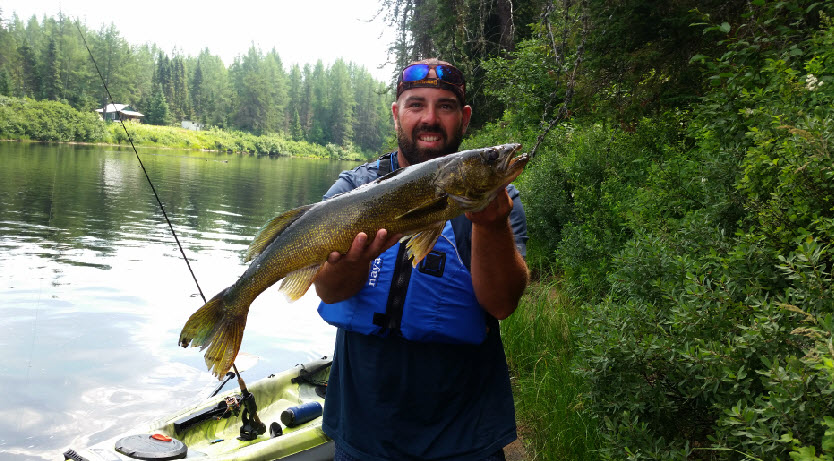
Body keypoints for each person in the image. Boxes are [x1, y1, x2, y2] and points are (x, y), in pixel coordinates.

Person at [314, 58, 529, 461]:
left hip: (464, 436)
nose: (430, 118)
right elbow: (328, 289)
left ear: (464, 118)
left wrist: (491, 227)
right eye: (416, 105)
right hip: (365, 430)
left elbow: (502, 304)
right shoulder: (353, 188)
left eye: (445, 106)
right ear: (396, 113)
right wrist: (352, 262)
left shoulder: (499, 201)